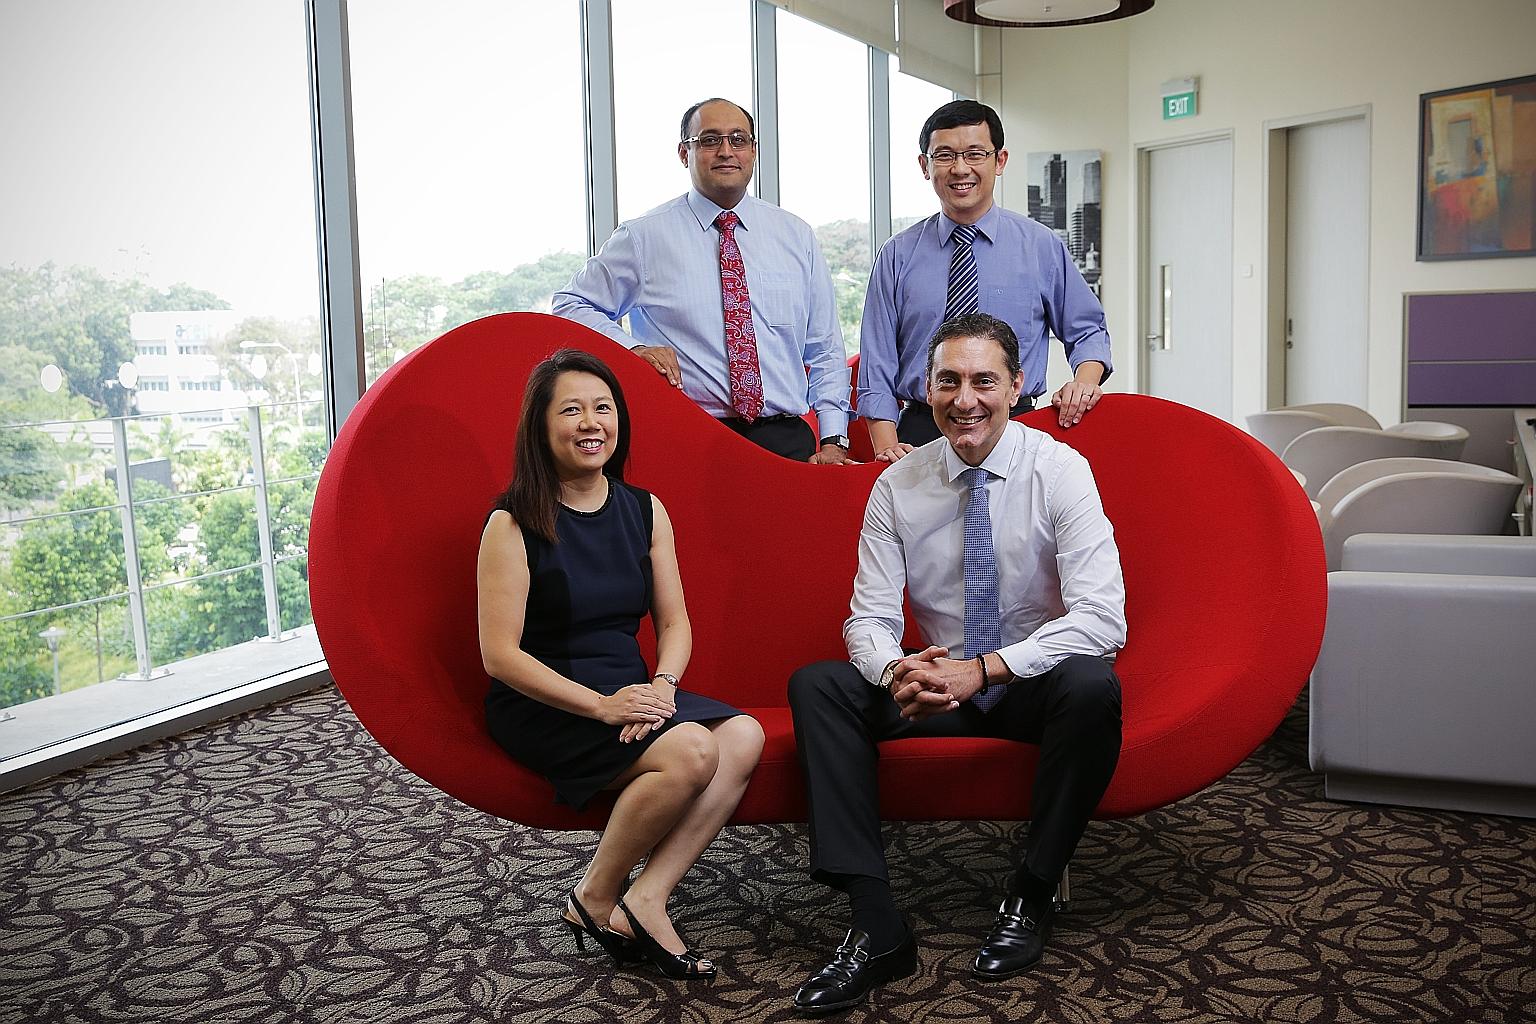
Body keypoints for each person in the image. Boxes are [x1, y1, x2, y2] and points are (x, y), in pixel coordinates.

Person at [787, 313, 1126, 1013]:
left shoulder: (1060, 471)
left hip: (1028, 681)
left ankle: (1030, 893)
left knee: (1093, 685)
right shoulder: (899, 484)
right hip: (938, 685)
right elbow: (870, 618)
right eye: (949, 381)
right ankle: (876, 923)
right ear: (927, 388)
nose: (965, 399)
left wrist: (990, 667)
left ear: (1016, 386)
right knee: (819, 686)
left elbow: (1102, 620)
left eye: (983, 381)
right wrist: (896, 672)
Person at [477, 348, 765, 980]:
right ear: (541, 427)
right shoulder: (511, 523)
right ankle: (595, 894)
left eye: (602, 408)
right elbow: (499, 656)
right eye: (572, 410)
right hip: (547, 700)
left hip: (632, 688)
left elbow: (673, 624)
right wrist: (602, 706)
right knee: (692, 751)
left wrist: (662, 687)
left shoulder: (644, 509)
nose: (591, 423)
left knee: (743, 735)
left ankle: (648, 895)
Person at [552, 97, 854, 464]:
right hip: (687, 437)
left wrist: (834, 439)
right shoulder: (644, 237)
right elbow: (570, 304)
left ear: (753, 151)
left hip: (786, 440)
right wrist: (633, 350)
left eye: (738, 140)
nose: (726, 151)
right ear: (684, 153)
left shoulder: (796, 236)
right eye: (710, 140)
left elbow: (824, 348)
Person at [857, 100, 1113, 462]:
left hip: (1017, 427)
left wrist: (1083, 383)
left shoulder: (1039, 246)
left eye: (975, 154)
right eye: (944, 155)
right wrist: (886, 447)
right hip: (920, 434)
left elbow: (1087, 330)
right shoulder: (897, 255)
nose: (960, 168)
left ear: (1000, 160)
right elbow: (877, 361)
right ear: (925, 166)